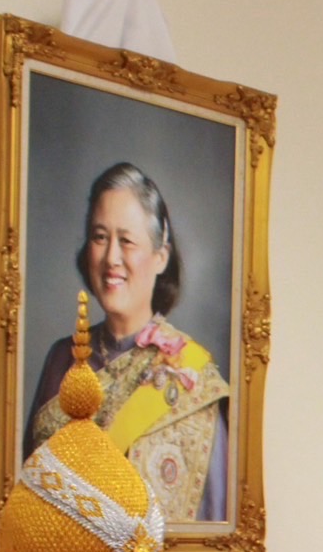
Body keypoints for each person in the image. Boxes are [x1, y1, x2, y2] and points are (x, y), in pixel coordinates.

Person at [24, 162, 230, 523]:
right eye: (100, 237)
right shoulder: (61, 358)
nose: (111, 259)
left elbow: (213, 522)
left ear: (160, 256)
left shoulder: (192, 377)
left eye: (127, 241)